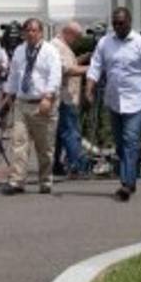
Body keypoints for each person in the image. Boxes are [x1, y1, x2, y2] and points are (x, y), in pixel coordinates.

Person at [85, 6, 141, 202]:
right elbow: (95, 66)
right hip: (114, 101)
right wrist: (89, 88)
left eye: (121, 23)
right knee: (120, 144)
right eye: (115, 23)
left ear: (129, 22)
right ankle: (131, 177)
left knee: (130, 140)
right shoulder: (105, 42)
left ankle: (126, 184)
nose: (118, 26)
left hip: (136, 101)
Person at [0, 18, 61, 195]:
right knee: (19, 143)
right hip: (22, 103)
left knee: (45, 147)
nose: (31, 34)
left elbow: (55, 76)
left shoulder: (50, 51)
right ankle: (17, 181)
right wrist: (7, 95)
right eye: (28, 31)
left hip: (42, 103)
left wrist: (48, 96)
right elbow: (14, 76)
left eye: (35, 30)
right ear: (24, 33)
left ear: (41, 32)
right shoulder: (19, 51)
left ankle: (46, 180)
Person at [51, 21, 90, 177]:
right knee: (71, 131)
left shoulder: (61, 46)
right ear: (69, 33)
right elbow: (65, 69)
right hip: (64, 96)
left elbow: (70, 63)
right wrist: (91, 68)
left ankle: (56, 165)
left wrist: (84, 58)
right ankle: (78, 165)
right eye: (77, 37)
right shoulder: (56, 47)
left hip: (66, 96)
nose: (78, 41)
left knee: (60, 134)